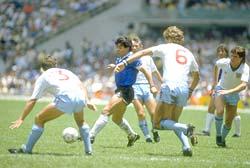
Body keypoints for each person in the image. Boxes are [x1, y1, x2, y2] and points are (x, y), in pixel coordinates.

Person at [115, 26, 200, 156]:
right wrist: (190, 91)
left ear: (167, 37)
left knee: (157, 123)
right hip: (184, 88)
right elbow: (197, 76)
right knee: (173, 122)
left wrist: (125, 63)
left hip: (169, 86)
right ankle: (186, 147)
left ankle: (186, 128)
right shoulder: (188, 53)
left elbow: (142, 53)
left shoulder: (166, 47)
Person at [8, 55, 97, 155]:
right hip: (80, 97)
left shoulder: (43, 76)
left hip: (66, 98)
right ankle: (88, 151)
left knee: (39, 119)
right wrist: (87, 101)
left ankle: (27, 149)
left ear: (42, 68)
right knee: (81, 122)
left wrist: (21, 118)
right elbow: (81, 85)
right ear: (56, 65)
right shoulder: (67, 71)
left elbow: (32, 100)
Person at [89, 36, 157, 147]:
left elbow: (145, 71)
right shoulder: (120, 58)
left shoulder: (133, 58)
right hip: (121, 90)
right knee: (116, 119)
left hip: (126, 91)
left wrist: (152, 85)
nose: (117, 49)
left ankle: (90, 136)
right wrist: (115, 66)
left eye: (120, 47)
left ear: (127, 48)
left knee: (106, 111)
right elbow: (124, 68)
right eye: (117, 47)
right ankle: (132, 135)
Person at [202, 44, 242, 137]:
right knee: (211, 107)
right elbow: (216, 73)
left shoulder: (229, 62)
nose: (220, 53)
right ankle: (207, 130)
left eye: (222, 51)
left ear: (227, 53)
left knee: (233, 112)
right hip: (219, 88)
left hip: (229, 89)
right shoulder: (219, 63)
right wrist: (214, 85)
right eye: (219, 51)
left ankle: (237, 132)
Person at [129, 34, 163, 143]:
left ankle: (154, 131)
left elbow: (154, 71)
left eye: (136, 45)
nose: (134, 48)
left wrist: (162, 82)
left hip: (147, 87)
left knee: (153, 113)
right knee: (141, 113)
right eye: (132, 46)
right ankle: (147, 136)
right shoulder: (128, 57)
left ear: (141, 46)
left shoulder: (148, 58)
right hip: (134, 88)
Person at [214, 46, 249, 147]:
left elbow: (243, 85)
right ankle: (218, 135)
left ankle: (222, 140)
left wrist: (229, 91)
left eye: (235, 56)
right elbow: (216, 65)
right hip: (221, 89)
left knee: (228, 122)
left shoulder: (245, 68)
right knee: (220, 111)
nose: (232, 58)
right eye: (232, 55)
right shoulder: (224, 62)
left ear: (241, 58)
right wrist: (215, 83)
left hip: (233, 93)